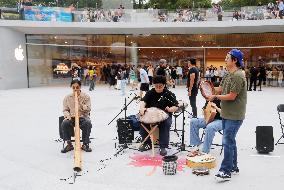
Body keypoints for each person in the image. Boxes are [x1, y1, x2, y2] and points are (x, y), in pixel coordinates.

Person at [208, 49, 247, 182]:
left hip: (235, 115)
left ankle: (225, 171)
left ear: (234, 60)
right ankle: (233, 166)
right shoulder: (228, 74)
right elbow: (220, 89)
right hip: (226, 113)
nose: (225, 60)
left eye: (227, 58)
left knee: (227, 142)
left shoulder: (238, 75)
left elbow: (231, 96)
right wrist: (208, 88)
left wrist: (215, 96)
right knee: (231, 141)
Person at [139, 75, 178, 156]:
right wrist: (142, 108)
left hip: (165, 115)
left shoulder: (169, 94)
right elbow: (143, 101)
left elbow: (176, 106)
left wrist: (170, 109)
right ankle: (147, 143)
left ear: (164, 85)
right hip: (151, 115)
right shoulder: (150, 92)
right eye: (156, 86)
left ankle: (163, 146)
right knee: (142, 121)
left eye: (160, 86)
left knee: (166, 123)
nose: (158, 88)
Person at [61, 80, 93, 153]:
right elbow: (65, 109)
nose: (75, 89)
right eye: (73, 87)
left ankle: (85, 144)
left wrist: (80, 105)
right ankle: (69, 144)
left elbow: (88, 109)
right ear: (71, 87)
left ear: (80, 87)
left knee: (88, 123)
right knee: (64, 123)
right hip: (71, 117)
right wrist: (67, 115)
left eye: (77, 87)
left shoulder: (86, 97)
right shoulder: (67, 97)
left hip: (82, 116)